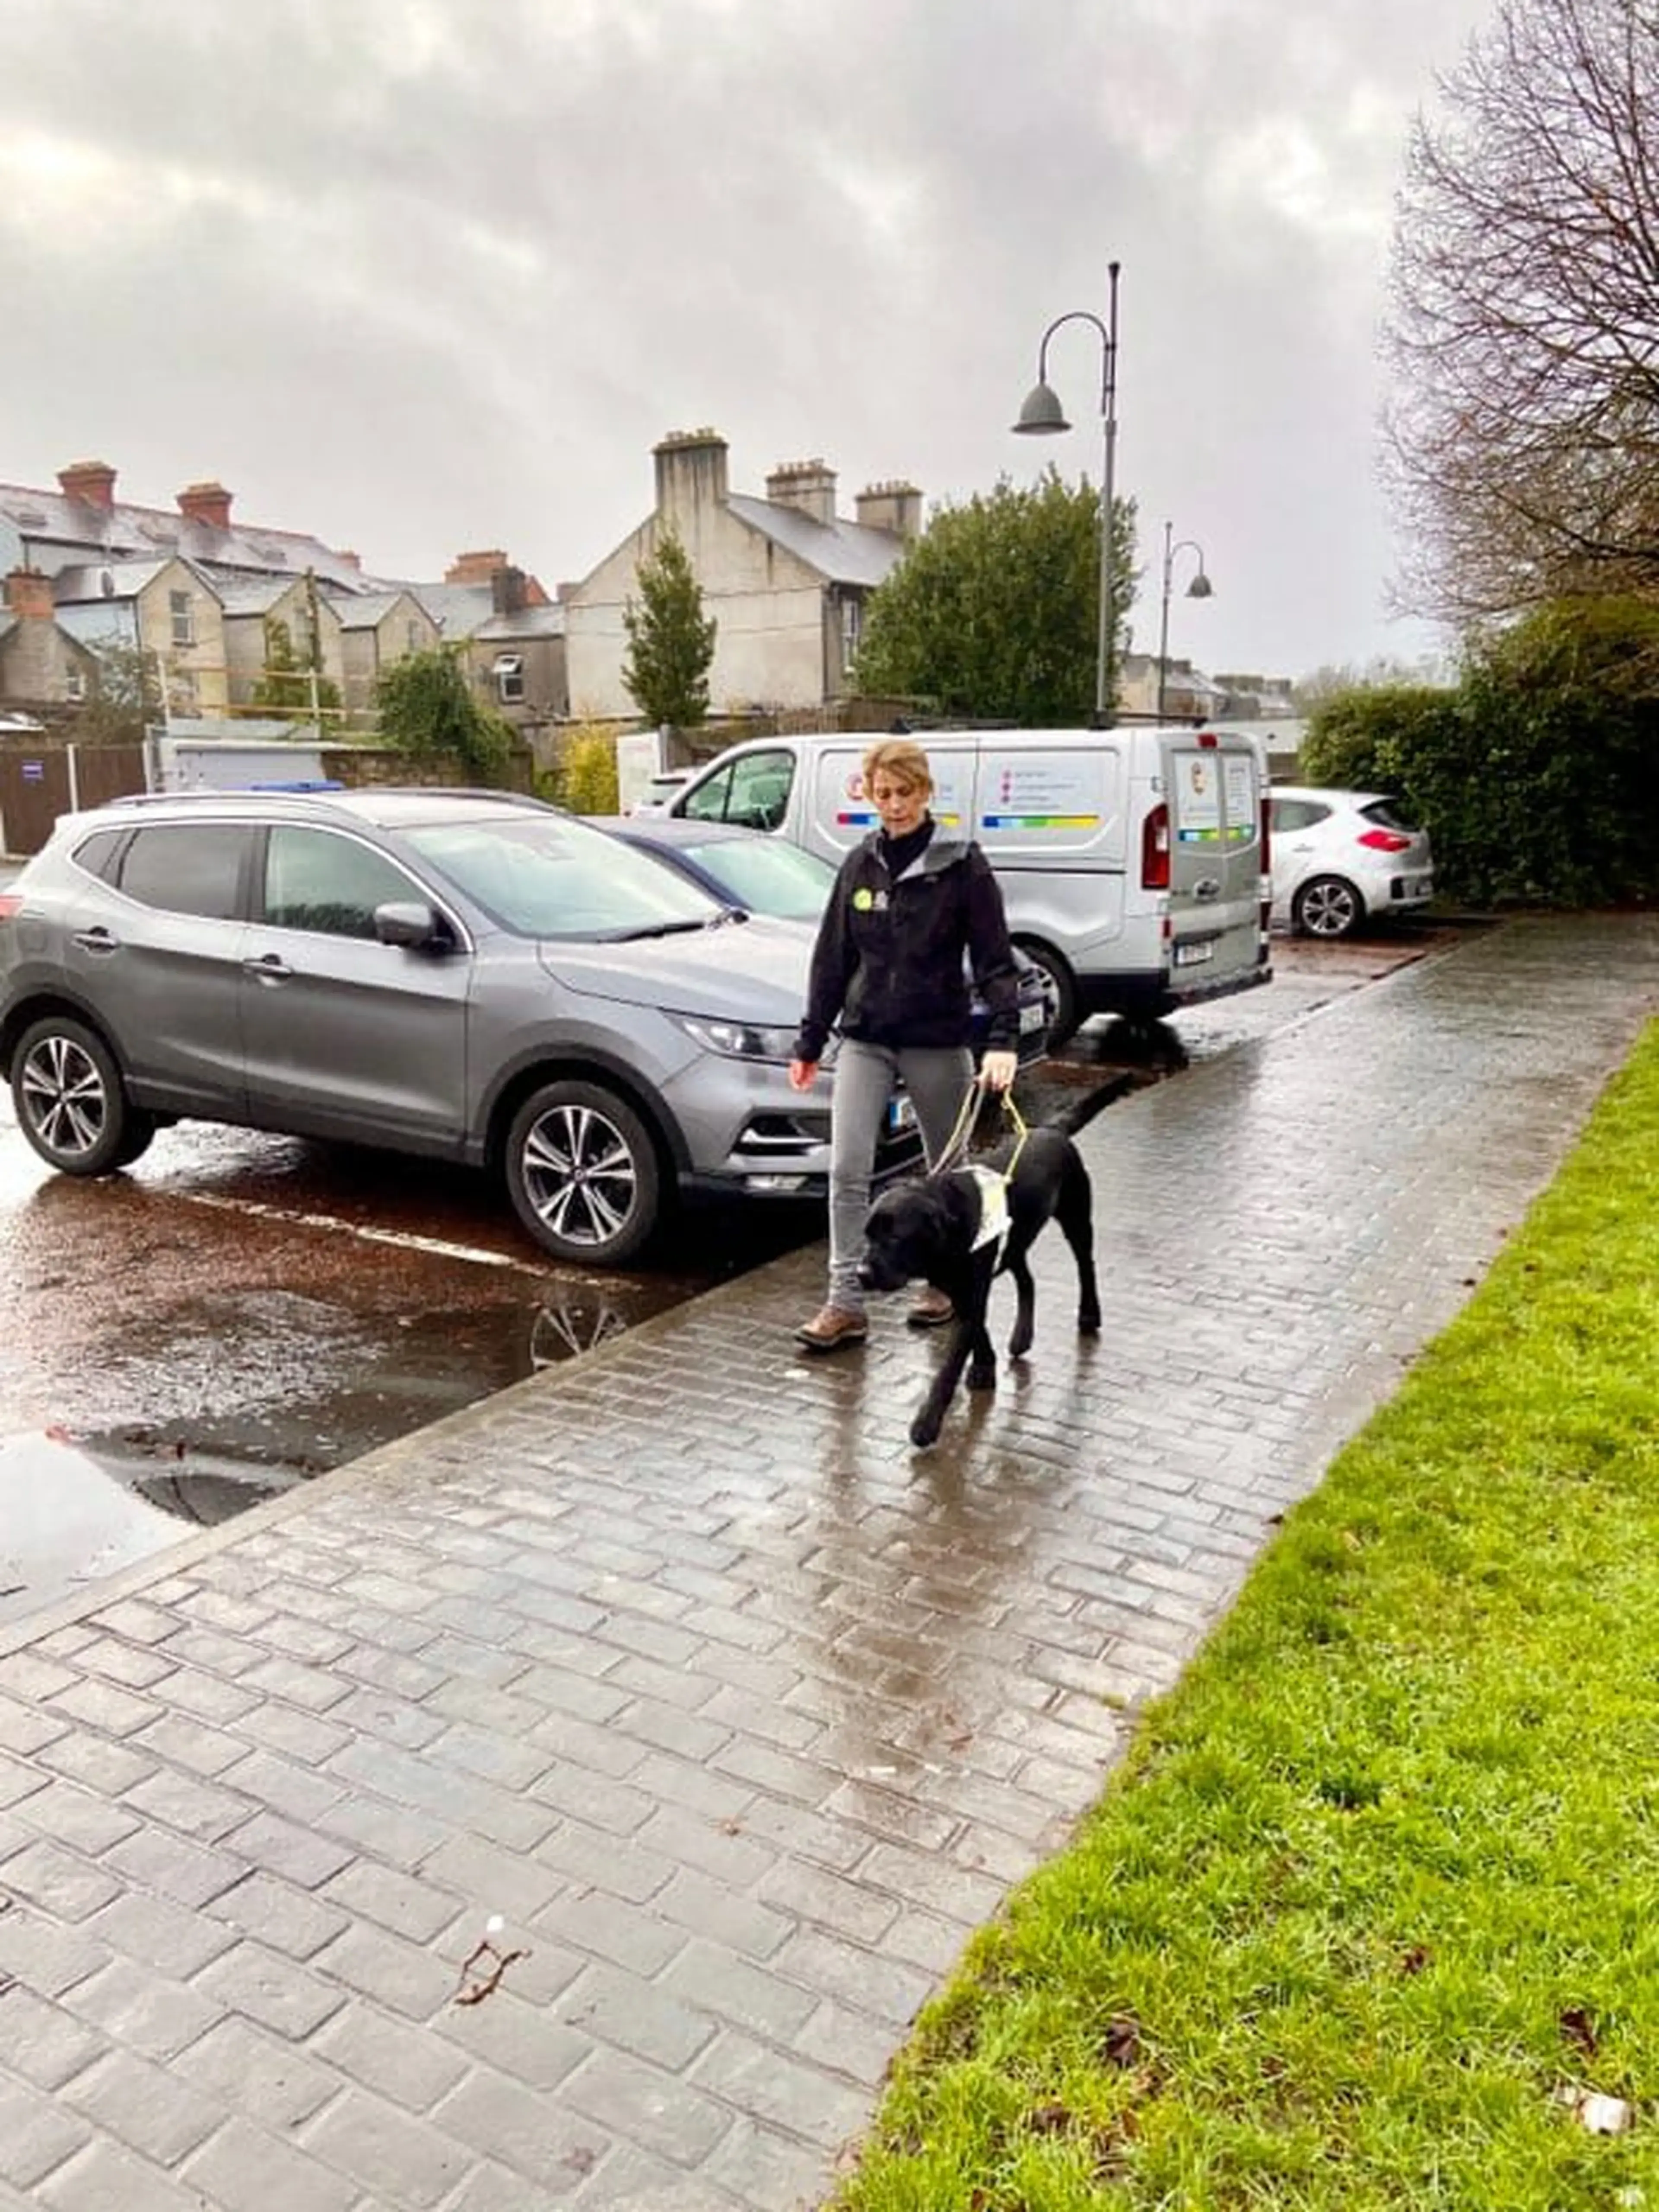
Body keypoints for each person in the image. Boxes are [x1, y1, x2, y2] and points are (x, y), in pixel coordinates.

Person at [788, 736, 1022, 1351]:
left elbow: (996, 962)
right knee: (846, 1169)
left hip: (936, 1040)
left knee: (947, 1177)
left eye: (904, 793)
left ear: (925, 793)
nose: (892, 805)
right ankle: (846, 1303)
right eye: (881, 793)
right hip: (867, 1036)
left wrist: (1004, 1039)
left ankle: (945, 1286)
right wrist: (810, 1039)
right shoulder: (860, 866)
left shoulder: (962, 865)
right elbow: (832, 958)